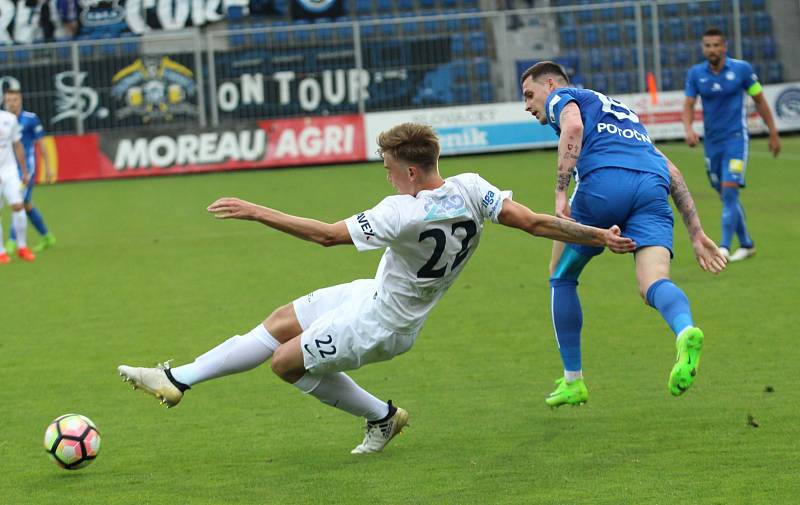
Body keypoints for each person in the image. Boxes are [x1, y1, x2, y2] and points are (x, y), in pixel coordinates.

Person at [118, 123, 635, 454]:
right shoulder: (474, 188)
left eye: (389, 169)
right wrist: (597, 235)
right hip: (374, 292)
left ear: (411, 171)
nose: (386, 177)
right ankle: (177, 379)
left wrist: (256, 210)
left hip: (383, 322)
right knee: (279, 322)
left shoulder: (399, 212)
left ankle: (383, 418)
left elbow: (325, 236)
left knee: (284, 363)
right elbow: (538, 224)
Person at [521, 61, 727, 408]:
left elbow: (571, 127)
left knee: (561, 277)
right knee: (653, 283)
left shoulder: (563, 98)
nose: (527, 105)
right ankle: (685, 331)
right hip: (652, 188)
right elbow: (672, 172)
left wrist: (559, 191)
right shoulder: (624, 114)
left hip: (604, 184)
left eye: (529, 95)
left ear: (551, 84)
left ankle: (573, 382)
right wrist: (697, 233)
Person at [683, 27, 780, 262]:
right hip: (712, 144)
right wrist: (688, 129)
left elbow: (759, 99)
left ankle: (724, 247)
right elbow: (688, 104)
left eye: (716, 45)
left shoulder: (742, 70)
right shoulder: (696, 74)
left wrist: (773, 132)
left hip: (736, 140)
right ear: (703, 48)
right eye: (708, 45)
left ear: (725, 46)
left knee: (729, 193)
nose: (712, 49)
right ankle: (746, 244)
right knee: (726, 195)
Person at [3, 88, 57, 255]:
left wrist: (48, 168)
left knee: (19, 202)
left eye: (15, 100)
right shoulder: (4, 120)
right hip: (8, 167)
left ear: (21, 101)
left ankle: (13, 241)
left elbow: (42, 143)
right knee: (26, 204)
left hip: (27, 167)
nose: (12, 103)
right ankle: (46, 236)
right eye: (8, 100)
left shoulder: (30, 119)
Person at [0, 107, 35, 263]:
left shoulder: (9, 118)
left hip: (10, 171)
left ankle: (22, 247)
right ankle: (1, 252)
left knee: (18, 206)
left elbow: (17, 144)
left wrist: (24, 171)